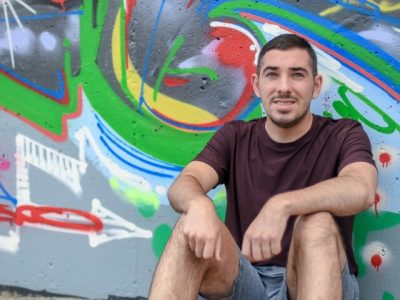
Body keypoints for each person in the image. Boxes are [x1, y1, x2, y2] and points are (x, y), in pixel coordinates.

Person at [148, 34, 377, 300]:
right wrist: (199, 205)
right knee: (189, 223)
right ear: (257, 85)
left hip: (312, 282)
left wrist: (282, 205)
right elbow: (186, 182)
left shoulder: (343, 133)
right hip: (246, 282)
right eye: (272, 75)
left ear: (316, 86)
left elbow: (361, 189)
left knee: (317, 223)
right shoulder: (235, 136)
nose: (284, 87)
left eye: (297, 75)